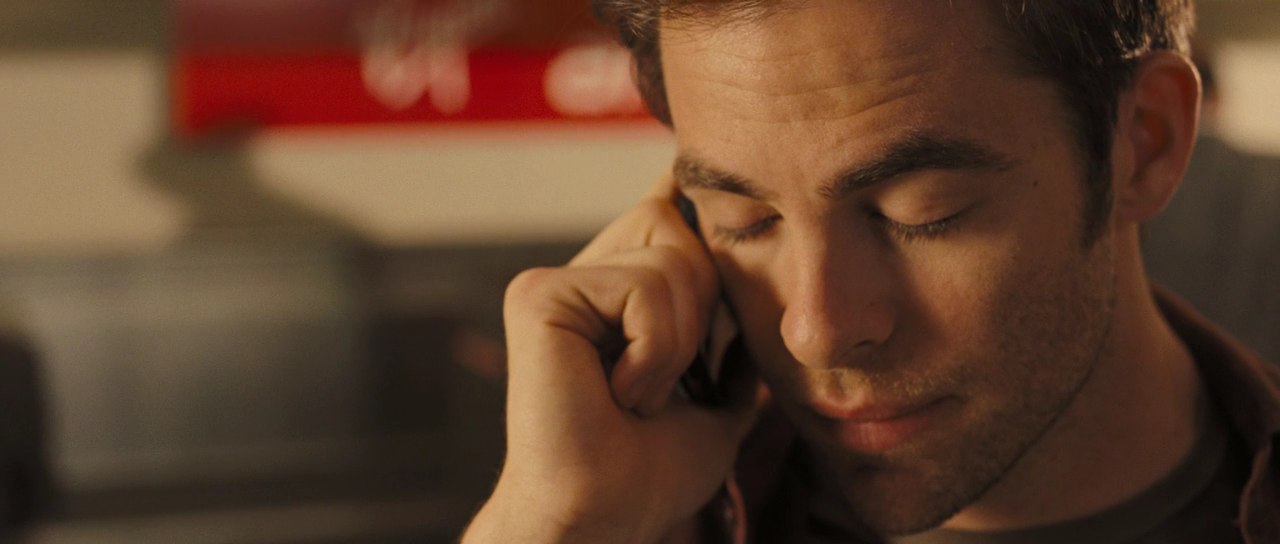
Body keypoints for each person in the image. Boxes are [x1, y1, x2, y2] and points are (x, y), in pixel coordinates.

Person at [463, 1, 1280, 542]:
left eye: (921, 212)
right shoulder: (642, 516)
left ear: (1144, 142)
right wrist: (557, 526)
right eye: (745, 221)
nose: (816, 332)